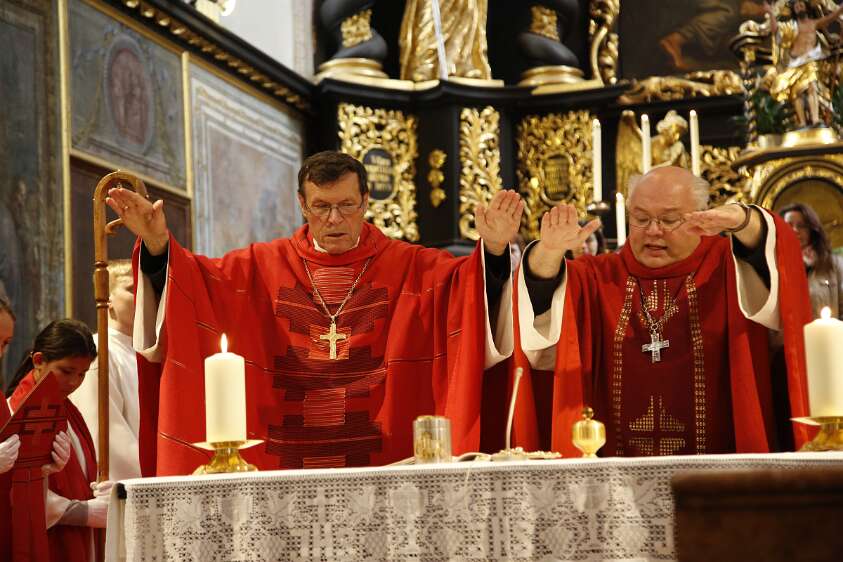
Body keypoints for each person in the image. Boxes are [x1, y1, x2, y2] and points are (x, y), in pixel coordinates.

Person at [106, 151, 519, 475]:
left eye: (347, 205)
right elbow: (196, 285)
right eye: (321, 206)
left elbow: (467, 291)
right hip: (284, 461)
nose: (334, 219)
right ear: (302, 204)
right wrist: (159, 246)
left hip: (389, 462)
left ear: (366, 202)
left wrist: (495, 251)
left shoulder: (414, 268)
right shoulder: (257, 268)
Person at [513, 166, 812, 457]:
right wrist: (549, 253)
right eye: (641, 219)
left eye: (669, 220)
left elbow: (780, 264)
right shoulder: (599, 276)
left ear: (702, 217)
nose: (653, 231)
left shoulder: (729, 265)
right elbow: (539, 315)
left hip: (721, 475)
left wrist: (745, 220)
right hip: (615, 480)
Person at [8, 319, 112, 562]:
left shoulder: (67, 410)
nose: (74, 382)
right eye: (66, 371)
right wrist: (80, 512)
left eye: (82, 374)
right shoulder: (19, 413)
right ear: (39, 361)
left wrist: (96, 490)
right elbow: (17, 495)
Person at [70, 260, 142, 481]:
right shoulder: (100, 352)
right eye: (132, 289)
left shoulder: (147, 353)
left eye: (145, 289)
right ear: (107, 298)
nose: (142, 296)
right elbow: (107, 437)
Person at [766, 0, 843, 127]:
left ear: (805, 8)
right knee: (796, 93)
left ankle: (815, 119)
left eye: (801, 5)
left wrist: (840, 9)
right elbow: (775, 31)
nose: (799, 8)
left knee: (812, 86)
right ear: (794, 11)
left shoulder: (814, 23)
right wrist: (770, 13)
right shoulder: (791, 26)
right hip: (795, 63)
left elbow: (831, 17)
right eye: (796, 7)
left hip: (810, 60)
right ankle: (801, 122)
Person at [781, 202, 843, 318]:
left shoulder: (834, 264)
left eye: (801, 226)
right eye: (789, 225)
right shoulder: (773, 266)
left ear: (812, 230)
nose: (795, 230)